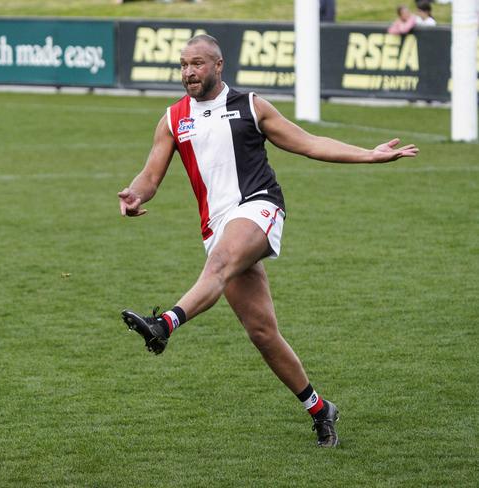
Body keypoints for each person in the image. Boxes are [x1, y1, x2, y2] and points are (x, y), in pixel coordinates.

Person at [117, 34, 419, 448]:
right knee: (262, 332)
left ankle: (163, 323)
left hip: (259, 207)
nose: (189, 72)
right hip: (217, 227)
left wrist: (369, 154)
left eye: (198, 63)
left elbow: (309, 143)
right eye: (183, 64)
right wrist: (134, 194)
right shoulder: (173, 119)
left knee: (220, 263)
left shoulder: (250, 106)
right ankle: (319, 409)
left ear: (219, 65)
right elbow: (149, 177)